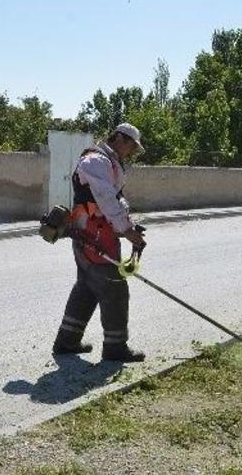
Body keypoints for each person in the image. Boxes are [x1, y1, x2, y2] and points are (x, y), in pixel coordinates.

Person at [52, 123, 148, 362]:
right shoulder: (96, 161)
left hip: (95, 232)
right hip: (93, 234)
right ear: (120, 139)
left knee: (86, 287)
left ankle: (67, 341)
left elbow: (116, 199)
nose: (132, 152)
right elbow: (106, 199)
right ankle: (115, 347)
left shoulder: (110, 163)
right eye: (131, 147)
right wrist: (127, 230)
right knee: (114, 288)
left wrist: (130, 224)